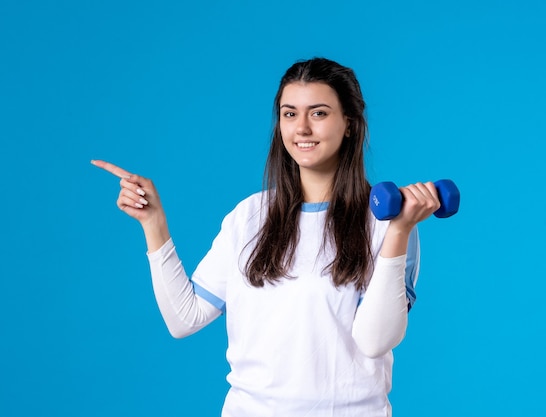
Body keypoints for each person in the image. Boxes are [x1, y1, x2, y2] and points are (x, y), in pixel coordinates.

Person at [91, 57, 441, 417]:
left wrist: (400, 230)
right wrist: (153, 223)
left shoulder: (387, 221)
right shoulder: (249, 216)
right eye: (290, 114)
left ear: (349, 124)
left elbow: (375, 341)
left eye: (318, 113)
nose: (301, 128)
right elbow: (185, 318)